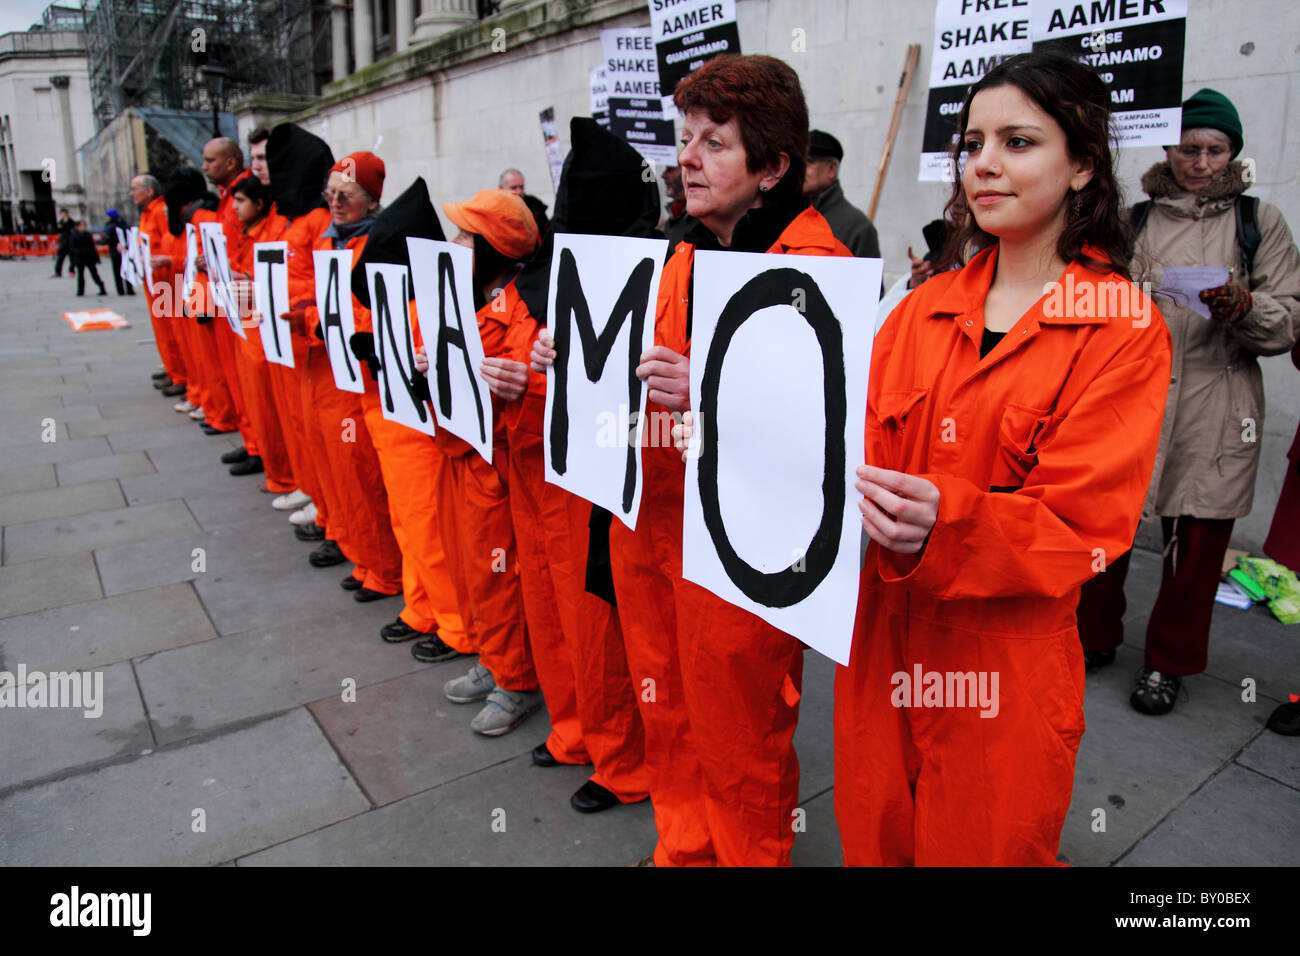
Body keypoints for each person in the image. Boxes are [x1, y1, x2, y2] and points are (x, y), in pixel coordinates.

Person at [833, 51, 1171, 866]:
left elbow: (1082, 527)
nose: (983, 164)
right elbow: (843, 450)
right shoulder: (917, 311)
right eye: (973, 142)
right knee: (875, 840)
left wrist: (947, 521)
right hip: (882, 646)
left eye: (1018, 142)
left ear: (1083, 163)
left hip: (1003, 665)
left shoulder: (1119, 329)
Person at [536, 53, 851, 866]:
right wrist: (567, 355)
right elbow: (632, 372)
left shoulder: (818, 269)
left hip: (738, 550)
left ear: (773, 167)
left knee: (739, 730)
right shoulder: (678, 254)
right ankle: (683, 847)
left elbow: (822, 438)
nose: (689, 156)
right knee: (666, 706)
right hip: (653, 531)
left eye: (716, 142)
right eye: (687, 138)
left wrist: (710, 396)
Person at [1076, 88, 1300, 716]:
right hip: (1134, 397)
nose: (1199, 162)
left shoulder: (1261, 223)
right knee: (1107, 527)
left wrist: (1243, 307)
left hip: (1218, 402)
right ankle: (1093, 639)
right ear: (1168, 148)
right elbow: (1089, 299)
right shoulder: (1135, 221)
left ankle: (1168, 665)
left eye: (1214, 150)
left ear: (1233, 153)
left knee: (1197, 546)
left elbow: (1286, 324)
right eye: (1188, 148)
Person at [416, 188, 544, 737]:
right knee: (476, 571)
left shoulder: (519, 309)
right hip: (461, 454)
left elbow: (521, 391)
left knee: (500, 575)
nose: (454, 243)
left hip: (496, 465)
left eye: (466, 236)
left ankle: (516, 680)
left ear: (492, 248)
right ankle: (494, 659)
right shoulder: (466, 298)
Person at [131, 173, 187, 397]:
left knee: (172, 330)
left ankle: (180, 375)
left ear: (149, 191)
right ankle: (172, 370)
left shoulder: (160, 212)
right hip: (156, 280)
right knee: (163, 330)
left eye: (135, 189)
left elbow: (170, 242)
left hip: (168, 280)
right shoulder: (148, 213)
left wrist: (168, 261)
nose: (131, 194)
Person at [803, 129, 881, 259]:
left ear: (831, 169)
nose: (800, 169)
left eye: (809, 161)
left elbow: (868, 279)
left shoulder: (858, 227)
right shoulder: (784, 216)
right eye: (797, 162)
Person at [70, 221, 107, 296]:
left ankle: (102, 288)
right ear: (77, 227)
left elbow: (92, 247)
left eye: (84, 226)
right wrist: (78, 252)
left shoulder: (88, 235)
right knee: (80, 275)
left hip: (89, 257)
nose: (83, 227)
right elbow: (72, 247)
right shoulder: (73, 235)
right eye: (81, 226)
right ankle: (80, 291)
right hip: (80, 257)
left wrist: (97, 258)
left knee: (94, 274)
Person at [103, 208, 133, 296]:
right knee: (127, 270)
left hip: (115, 251)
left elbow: (106, 239)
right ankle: (130, 289)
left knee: (117, 272)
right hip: (125, 251)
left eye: (107, 216)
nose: (106, 218)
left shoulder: (110, 226)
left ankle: (120, 290)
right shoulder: (124, 224)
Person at [50, 208, 74, 278]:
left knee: (72, 258)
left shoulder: (71, 221)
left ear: (67, 213)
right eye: (62, 214)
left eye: (64, 213)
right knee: (60, 258)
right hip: (63, 242)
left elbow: (70, 229)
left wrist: (65, 225)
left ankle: (71, 271)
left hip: (70, 241)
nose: (63, 215)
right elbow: (59, 230)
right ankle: (57, 272)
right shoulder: (60, 222)